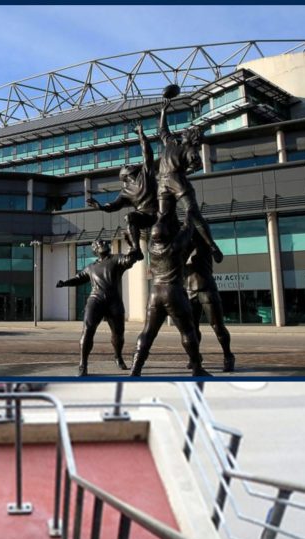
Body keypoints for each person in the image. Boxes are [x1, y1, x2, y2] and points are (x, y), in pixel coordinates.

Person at [130, 218, 209, 377]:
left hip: (155, 293)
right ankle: (197, 368)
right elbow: (188, 227)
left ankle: (136, 368)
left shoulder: (152, 248)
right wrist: (189, 213)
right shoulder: (175, 246)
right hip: (173, 292)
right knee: (188, 331)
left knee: (147, 332)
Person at [56, 238, 142, 376]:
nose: (104, 244)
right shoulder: (91, 267)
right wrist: (65, 283)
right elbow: (79, 278)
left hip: (114, 301)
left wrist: (133, 247)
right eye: (99, 243)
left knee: (118, 334)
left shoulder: (116, 259)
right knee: (88, 329)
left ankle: (118, 356)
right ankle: (83, 364)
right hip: (96, 300)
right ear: (95, 250)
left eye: (104, 242)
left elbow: (128, 260)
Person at [156, 100, 222, 258]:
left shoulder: (191, 150)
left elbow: (196, 163)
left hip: (177, 180)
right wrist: (163, 112)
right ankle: (168, 248)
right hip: (163, 183)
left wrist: (186, 168)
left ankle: (212, 246)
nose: (184, 132)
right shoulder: (171, 142)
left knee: (192, 212)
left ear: (192, 137)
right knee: (162, 217)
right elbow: (162, 130)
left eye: (188, 132)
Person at [86, 122, 157, 254]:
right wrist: (101, 206)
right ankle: (136, 248)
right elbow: (114, 205)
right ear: (125, 175)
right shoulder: (125, 192)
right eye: (128, 166)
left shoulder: (145, 174)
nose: (131, 165)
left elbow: (148, 154)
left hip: (159, 211)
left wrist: (141, 134)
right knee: (129, 217)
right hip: (144, 217)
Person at [185, 229, 236, 372]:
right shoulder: (182, 247)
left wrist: (213, 246)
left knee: (217, 326)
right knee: (192, 329)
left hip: (206, 288)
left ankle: (228, 356)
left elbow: (219, 257)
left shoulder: (205, 245)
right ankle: (195, 357)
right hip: (188, 290)